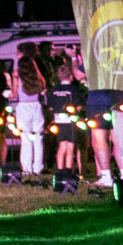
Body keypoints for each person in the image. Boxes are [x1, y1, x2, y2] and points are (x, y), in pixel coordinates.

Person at [46, 50, 89, 195]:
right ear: (71, 76)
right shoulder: (73, 89)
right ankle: (68, 171)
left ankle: (59, 171)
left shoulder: (55, 89)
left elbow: (51, 107)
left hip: (58, 121)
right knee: (70, 146)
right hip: (70, 121)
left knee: (61, 146)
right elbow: (78, 106)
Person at [12, 55, 47, 185]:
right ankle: (37, 168)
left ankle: (27, 168)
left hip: (23, 107)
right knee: (38, 138)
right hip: (36, 106)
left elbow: (14, 94)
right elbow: (43, 90)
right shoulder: (38, 78)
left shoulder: (18, 78)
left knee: (25, 139)